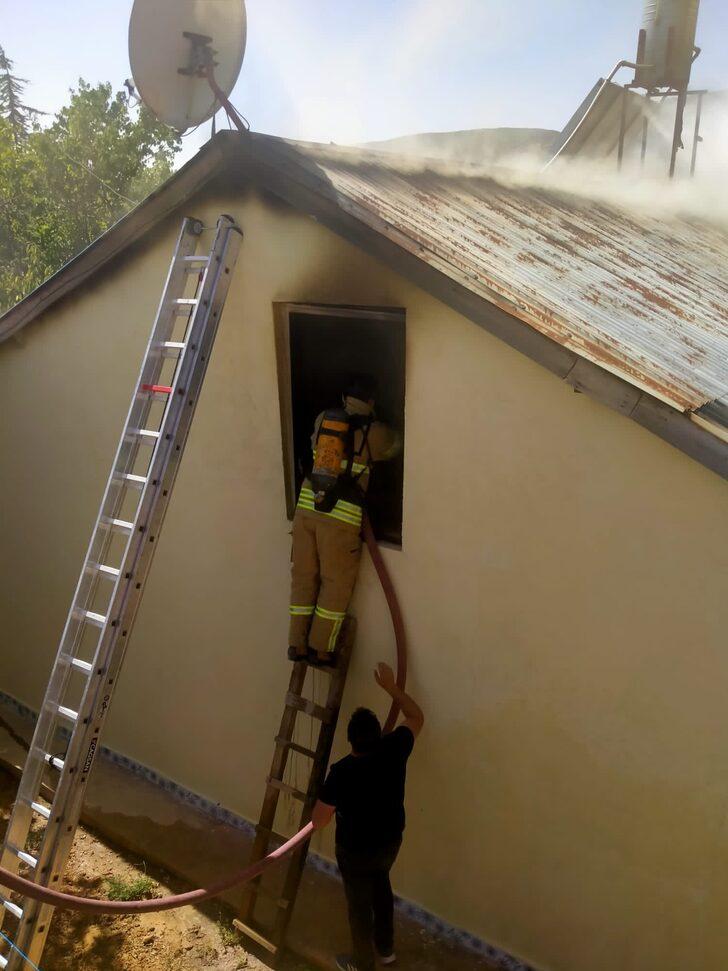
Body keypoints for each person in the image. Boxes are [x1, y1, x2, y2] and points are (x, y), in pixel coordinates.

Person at [311, 662, 424, 971]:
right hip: (389, 842)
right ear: (379, 733)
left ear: (351, 741)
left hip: (355, 851)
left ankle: (362, 965)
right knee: (381, 888)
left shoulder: (341, 773)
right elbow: (416, 716)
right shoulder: (395, 747)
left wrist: (325, 803)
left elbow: (319, 821)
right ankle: (386, 951)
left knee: (360, 907)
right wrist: (390, 687)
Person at [288, 374, 401, 666]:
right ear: (371, 401)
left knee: (303, 578)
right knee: (335, 585)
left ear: (344, 398)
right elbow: (396, 447)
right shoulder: (375, 433)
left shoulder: (324, 419)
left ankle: (297, 644)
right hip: (341, 520)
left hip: (306, 508)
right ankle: (321, 649)